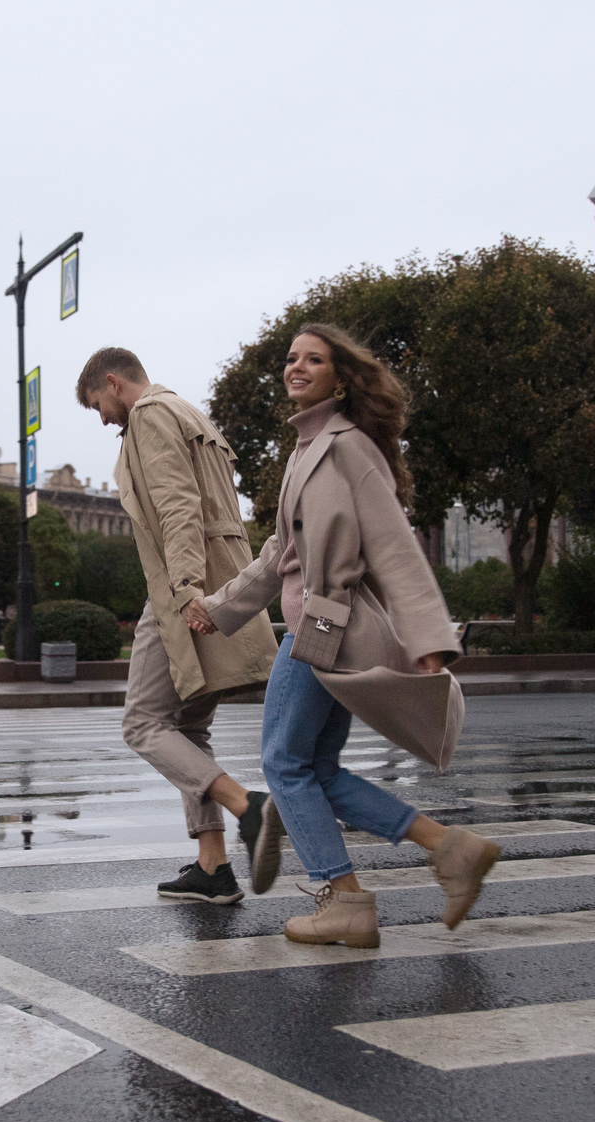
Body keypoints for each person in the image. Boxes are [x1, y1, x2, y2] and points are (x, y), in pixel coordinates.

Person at [188, 324, 500, 946]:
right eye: (292, 359)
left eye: (315, 359)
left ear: (340, 375)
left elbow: (395, 546)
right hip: (318, 620)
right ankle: (450, 848)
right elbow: (283, 551)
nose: (297, 367)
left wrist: (428, 638)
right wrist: (219, 608)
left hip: (324, 624)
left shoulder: (348, 447)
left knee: (282, 762)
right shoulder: (306, 449)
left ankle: (345, 898)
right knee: (316, 768)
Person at [78, 347, 277, 903]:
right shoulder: (189, 411)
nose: (102, 419)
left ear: (114, 384)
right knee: (189, 726)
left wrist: (186, 589)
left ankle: (249, 807)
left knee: (142, 722)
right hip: (221, 573)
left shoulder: (147, 415)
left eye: (98, 405)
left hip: (180, 582)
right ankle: (212, 868)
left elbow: (177, 505)